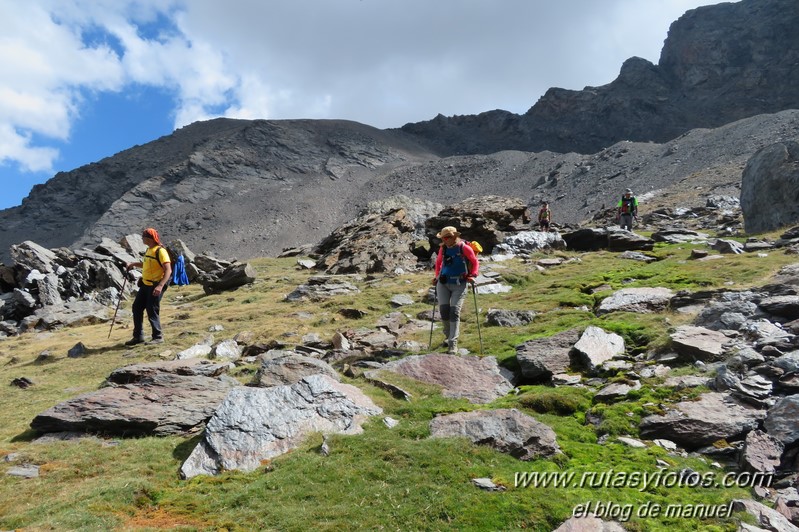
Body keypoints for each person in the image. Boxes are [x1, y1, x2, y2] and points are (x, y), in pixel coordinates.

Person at [432, 226, 479, 354]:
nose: (444, 240)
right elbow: (438, 263)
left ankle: (453, 344)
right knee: (444, 311)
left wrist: (473, 275)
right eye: (443, 238)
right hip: (443, 282)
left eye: (447, 237)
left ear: (454, 237)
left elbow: (474, 262)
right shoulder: (443, 248)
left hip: (460, 283)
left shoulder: (464, 248)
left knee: (454, 312)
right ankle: (447, 336)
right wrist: (436, 276)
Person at [124, 228, 172, 345]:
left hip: (155, 285)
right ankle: (138, 337)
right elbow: (146, 264)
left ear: (149, 238)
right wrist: (134, 264)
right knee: (137, 307)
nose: (141, 238)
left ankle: (158, 336)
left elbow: (168, 270)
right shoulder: (149, 250)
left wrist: (160, 286)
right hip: (146, 284)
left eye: (143, 237)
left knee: (152, 309)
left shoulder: (160, 251)